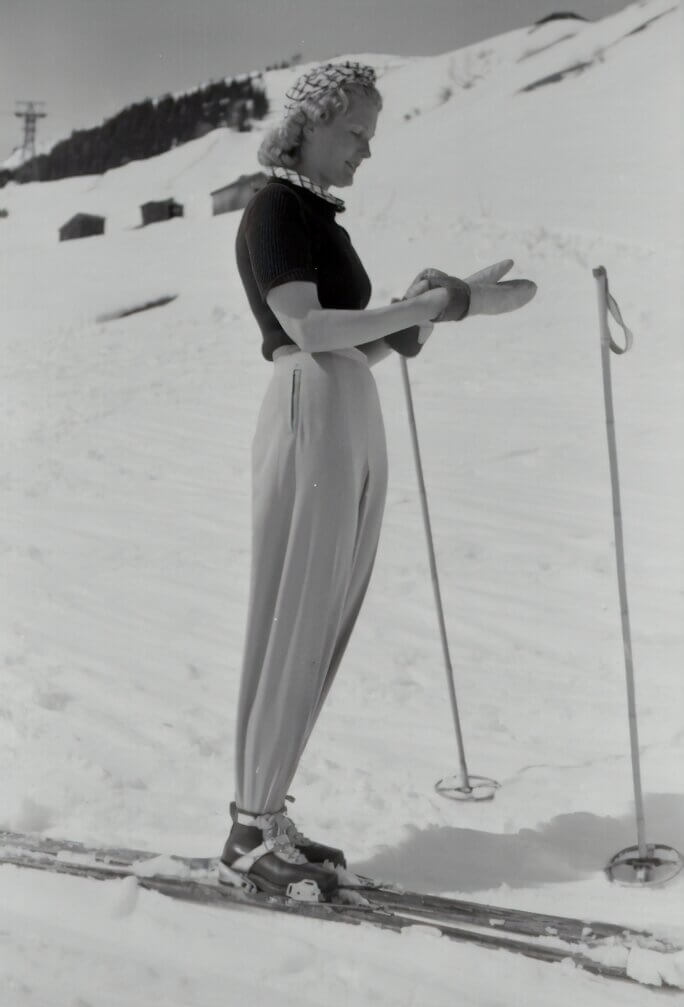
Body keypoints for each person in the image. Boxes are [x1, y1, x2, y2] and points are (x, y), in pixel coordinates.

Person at [220, 60, 536, 902]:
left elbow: (356, 341)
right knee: (296, 612)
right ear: (310, 126)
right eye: (355, 132)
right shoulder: (276, 208)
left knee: (326, 613)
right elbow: (310, 326)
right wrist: (426, 310)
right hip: (310, 404)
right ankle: (249, 830)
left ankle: (267, 807)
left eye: (370, 136)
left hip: (346, 404)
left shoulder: (320, 216)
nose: (365, 150)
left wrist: (431, 303)